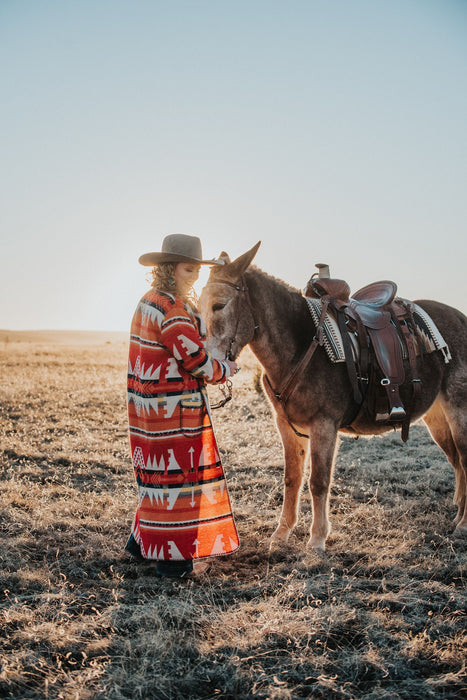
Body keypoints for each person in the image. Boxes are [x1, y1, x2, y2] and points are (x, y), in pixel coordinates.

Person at [125, 234, 240, 577]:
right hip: (175, 414)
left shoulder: (150, 301)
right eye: (188, 269)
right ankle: (174, 563)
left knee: (157, 477)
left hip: (149, 409)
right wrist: (225, 370)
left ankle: (141, 545)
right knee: (181, 483)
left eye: (196, 270)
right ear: (169, 268)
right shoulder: (173, 309)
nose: (192, 276)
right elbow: (196, 361)